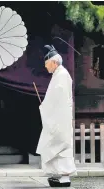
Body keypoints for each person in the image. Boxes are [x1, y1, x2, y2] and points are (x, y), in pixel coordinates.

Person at [36, 45, 76, 187]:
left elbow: (58, 98)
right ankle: (60, 177)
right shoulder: (58, 74)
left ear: (53, 62)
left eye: (47, 64)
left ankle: (64, 178)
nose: (46, 68)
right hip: (58, 117)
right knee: (56, 146)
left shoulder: (62, 75)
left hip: (60, 117)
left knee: (61, 146)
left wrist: (45, 106)